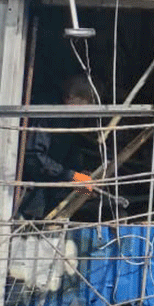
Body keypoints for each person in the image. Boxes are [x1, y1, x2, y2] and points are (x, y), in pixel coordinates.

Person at [17, 74, 97, 220]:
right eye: (82, 107)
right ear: (70, 97)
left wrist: (80, 176)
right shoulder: (47, 112)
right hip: (30, 196)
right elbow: (34, 157)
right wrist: (72, 177)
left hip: (53, 195)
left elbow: (68, 154)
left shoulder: (69, 121)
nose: (83, 115)